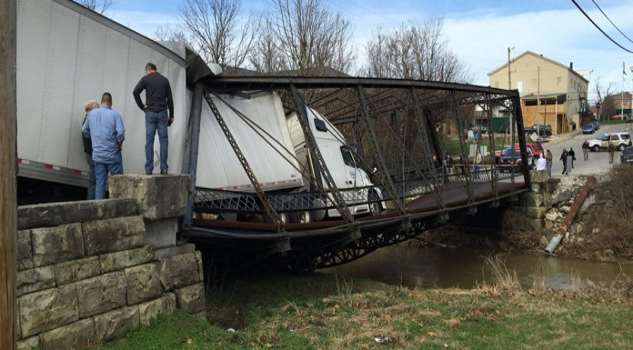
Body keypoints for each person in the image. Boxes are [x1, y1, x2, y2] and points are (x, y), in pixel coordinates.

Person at [133, 62, 174, 175]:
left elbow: (135, 92)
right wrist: (171, 115)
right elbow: (170, 99)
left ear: (148, 70)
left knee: (149, 141)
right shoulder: (164, 80)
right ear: (155, 69)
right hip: (162, 113)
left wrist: (142, 107)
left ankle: (148, 168)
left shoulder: (146, 79)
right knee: (164, 141)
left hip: (150, 112)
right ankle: (164, 168)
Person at [82, 93, 125, 199]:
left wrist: (94, 139)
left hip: (97, 156)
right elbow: (121, 133)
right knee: (118, 183)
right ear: (111, 102)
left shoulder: (91, 114)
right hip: (113, 155)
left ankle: (98, 210)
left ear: (101, 101)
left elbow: (84, 130)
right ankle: (117, 207)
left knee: (99, 185)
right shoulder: (115, 115)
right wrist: (118, 144)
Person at [81, 100, 100, 200]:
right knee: (94, 181)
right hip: (93, 153)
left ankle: (91, 201)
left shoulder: (86, 117)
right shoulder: (90, 118)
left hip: (89, 152)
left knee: (93, 180)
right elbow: (84, 131)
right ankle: (92, 202)